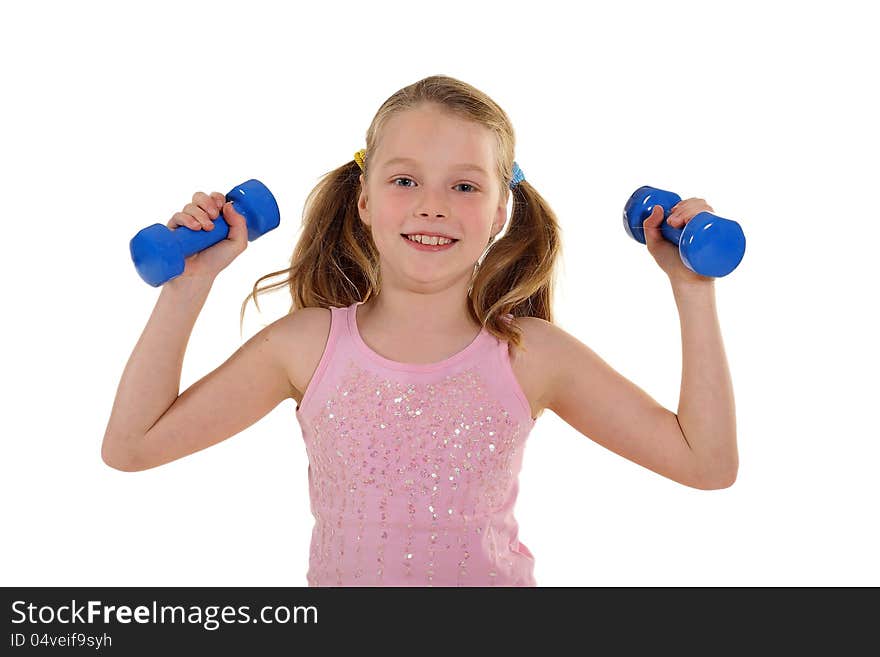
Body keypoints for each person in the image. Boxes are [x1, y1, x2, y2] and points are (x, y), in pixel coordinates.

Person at [102, 74, 738, 587]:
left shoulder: (530, 355)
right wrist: (189, 284)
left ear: (497, 213)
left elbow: (705, 464)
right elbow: (131, 447)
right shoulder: (305, 345)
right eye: (405, 180)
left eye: (463, 185)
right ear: (366, 201)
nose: (432, 204)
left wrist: (692, 288)